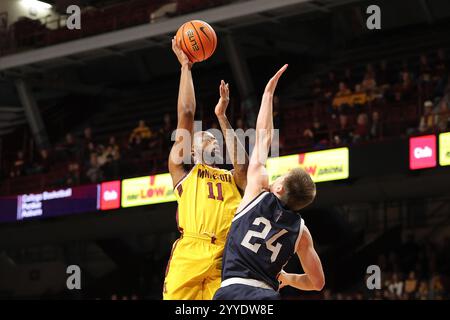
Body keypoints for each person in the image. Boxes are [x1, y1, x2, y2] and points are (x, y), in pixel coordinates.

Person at [214, 65, 325, 300]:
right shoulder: (301, 233)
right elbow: (317, 283)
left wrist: (267, 94)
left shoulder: (258, 191)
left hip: (232, 291)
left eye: (280, 177)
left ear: (279, 188)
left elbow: (263, 137)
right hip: (266, 296)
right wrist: (287, 278)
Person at [163, 37, 249, 300]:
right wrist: (185, 68)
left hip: (225, 256)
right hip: (190, 251)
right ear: (190, 149)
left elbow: (243, 165)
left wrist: (222, 116)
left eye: (215, 139)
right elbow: (187, 113)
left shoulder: (233, 178)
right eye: (204, 137)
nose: (211, 139)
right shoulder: (183, 174)